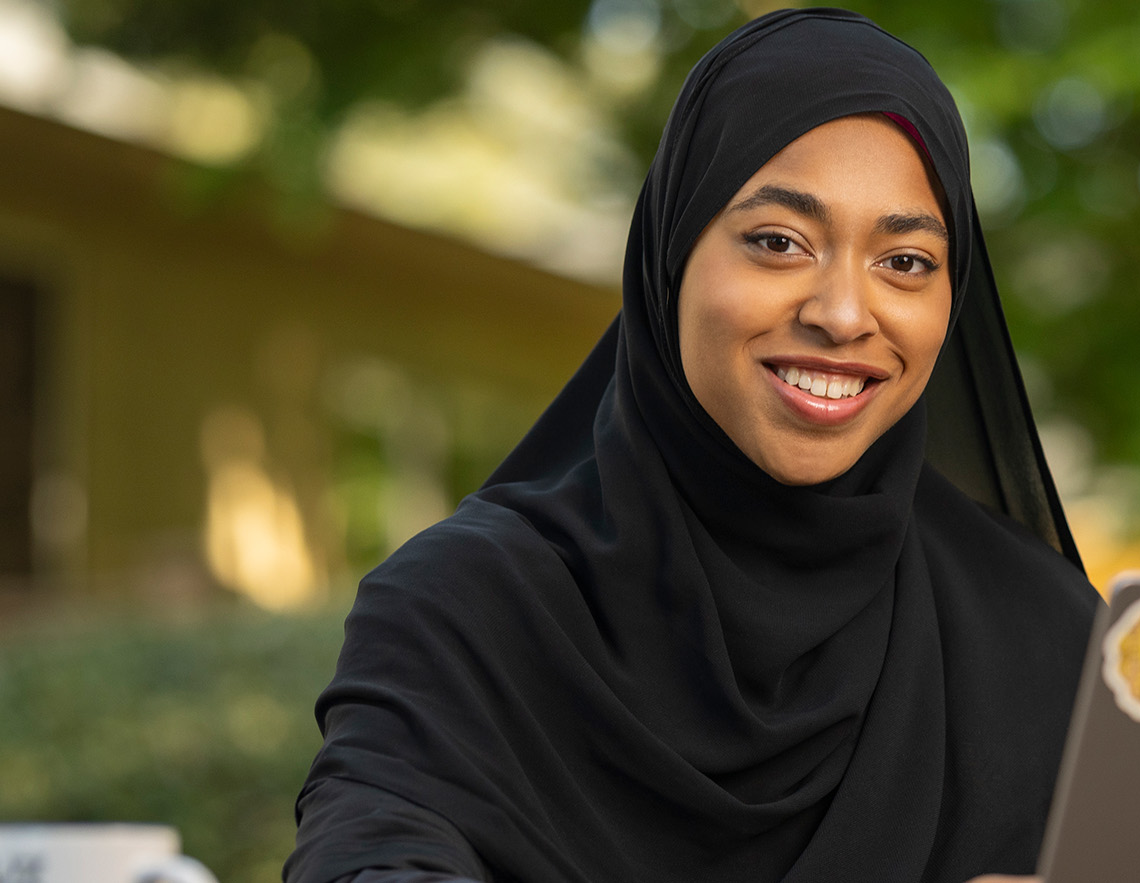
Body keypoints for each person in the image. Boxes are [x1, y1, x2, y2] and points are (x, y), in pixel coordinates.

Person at [284, 9, 1091, 883]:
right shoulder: (469, 610)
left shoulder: (1043, 638)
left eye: (904, 262)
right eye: (779, 242)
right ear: (672, 256)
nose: (844, 313)